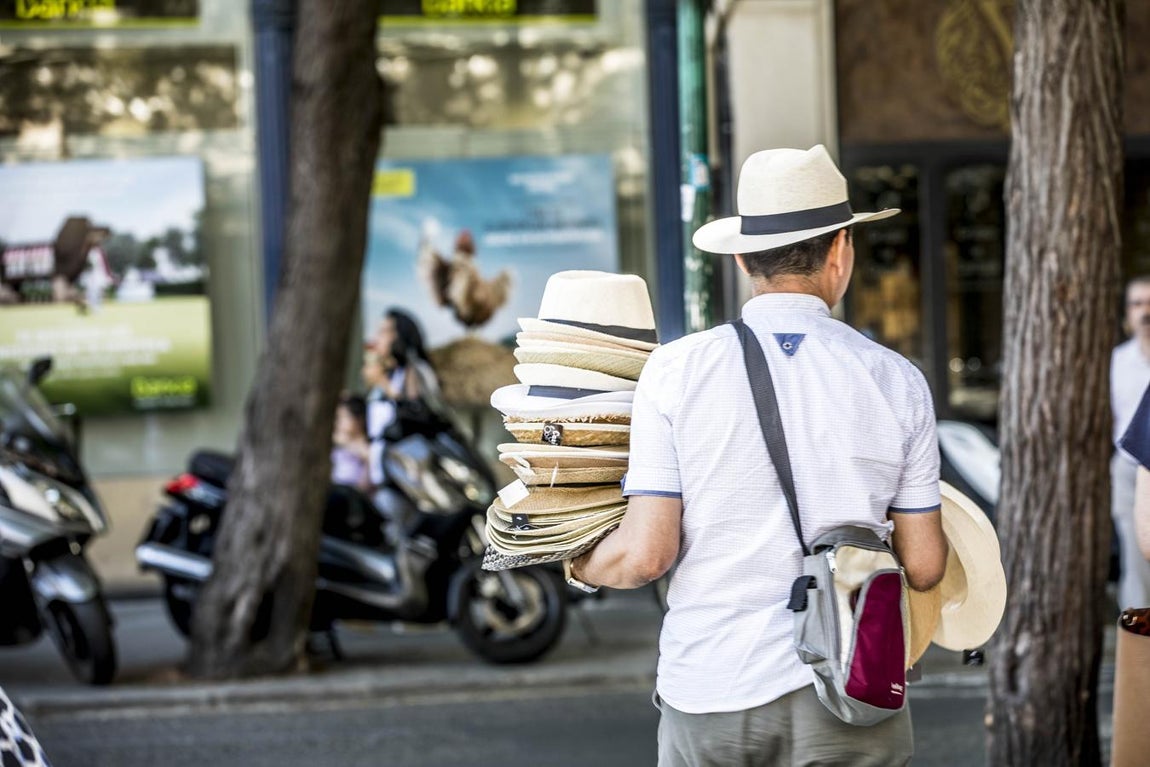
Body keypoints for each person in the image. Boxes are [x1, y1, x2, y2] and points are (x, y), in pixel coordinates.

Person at [567, 145, 948, 766]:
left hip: (713, 687)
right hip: (853, 691)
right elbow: (926, 565)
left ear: (742, 258)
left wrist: (577, 566)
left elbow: (646, 555)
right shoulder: (895, 379)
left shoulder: (677, 372)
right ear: (841, 251)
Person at [1111, 276, 1150, 609]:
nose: (1145, 311)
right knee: (1136, 567)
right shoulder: (1117, 363)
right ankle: (1139, 656)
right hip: (1129, 471)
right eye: (1138, 303)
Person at [331, 392, 371, 492]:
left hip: (351, 495)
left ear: (359, 420)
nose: (339, 422)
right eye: (338, 417)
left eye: (344, 417)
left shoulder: (367, 447)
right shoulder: (340, 442)